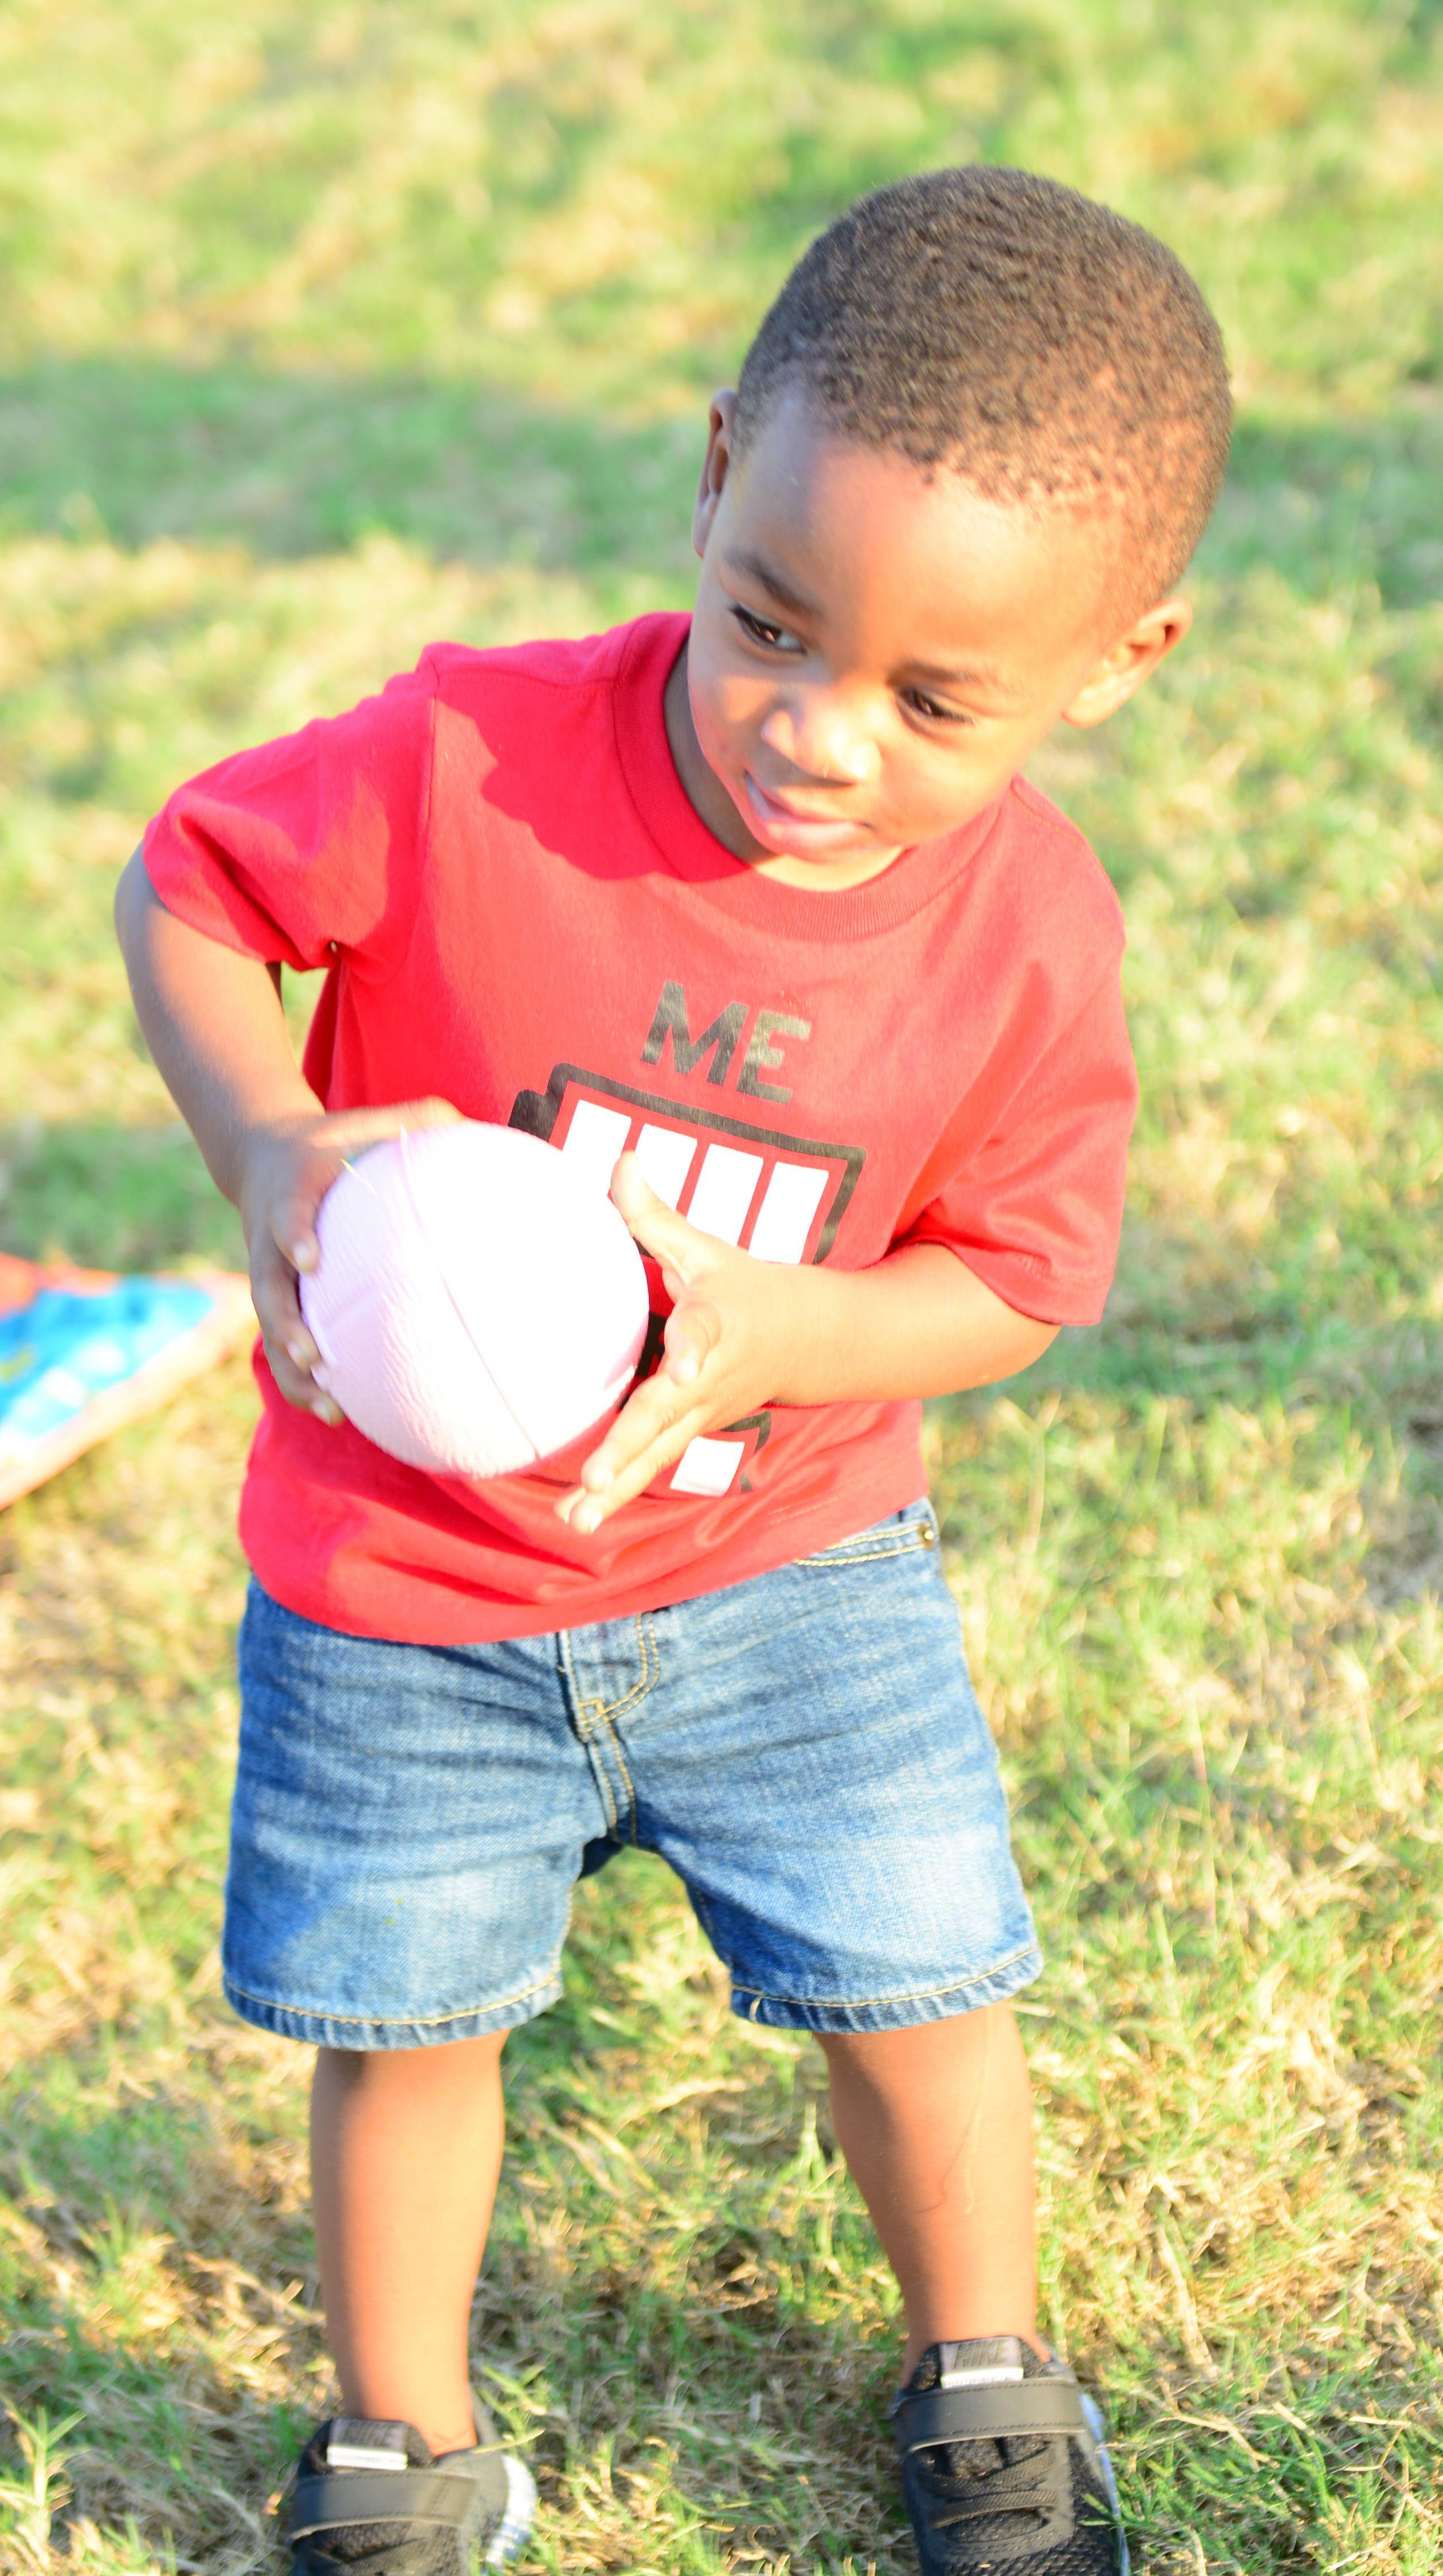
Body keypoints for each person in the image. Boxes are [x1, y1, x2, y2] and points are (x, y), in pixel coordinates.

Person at [116, 164, 1230, 2576]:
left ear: (1122, 662)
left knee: (920, 1992)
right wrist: (274, 1141)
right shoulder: (474, 760)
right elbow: (194, 886)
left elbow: (1022, 1274)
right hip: (407, 1590)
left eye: (938, 700)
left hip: (795, 1575)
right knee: (404, 2035)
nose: (824, 734)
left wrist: (784, 1329)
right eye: (772, 625)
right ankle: (409, 2443)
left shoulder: (1029, 926)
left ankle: (987, 2364)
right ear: (717, 474)